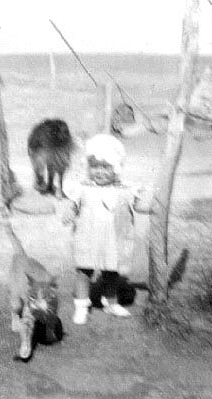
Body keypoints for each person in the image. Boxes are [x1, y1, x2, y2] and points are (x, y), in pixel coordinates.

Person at [62, 133, 152, 325]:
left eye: (105, 167)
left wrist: (153, 205)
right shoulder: (82, 187)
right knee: (84, 270)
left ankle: (110, 302)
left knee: (112, 271)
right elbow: (73, 203)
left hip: (114, 239)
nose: (99, 172)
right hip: (88, 237)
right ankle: (81, 306)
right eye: (95, 167)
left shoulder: (125, 189)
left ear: (116, 168)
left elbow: (140, 206)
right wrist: (70, 212)